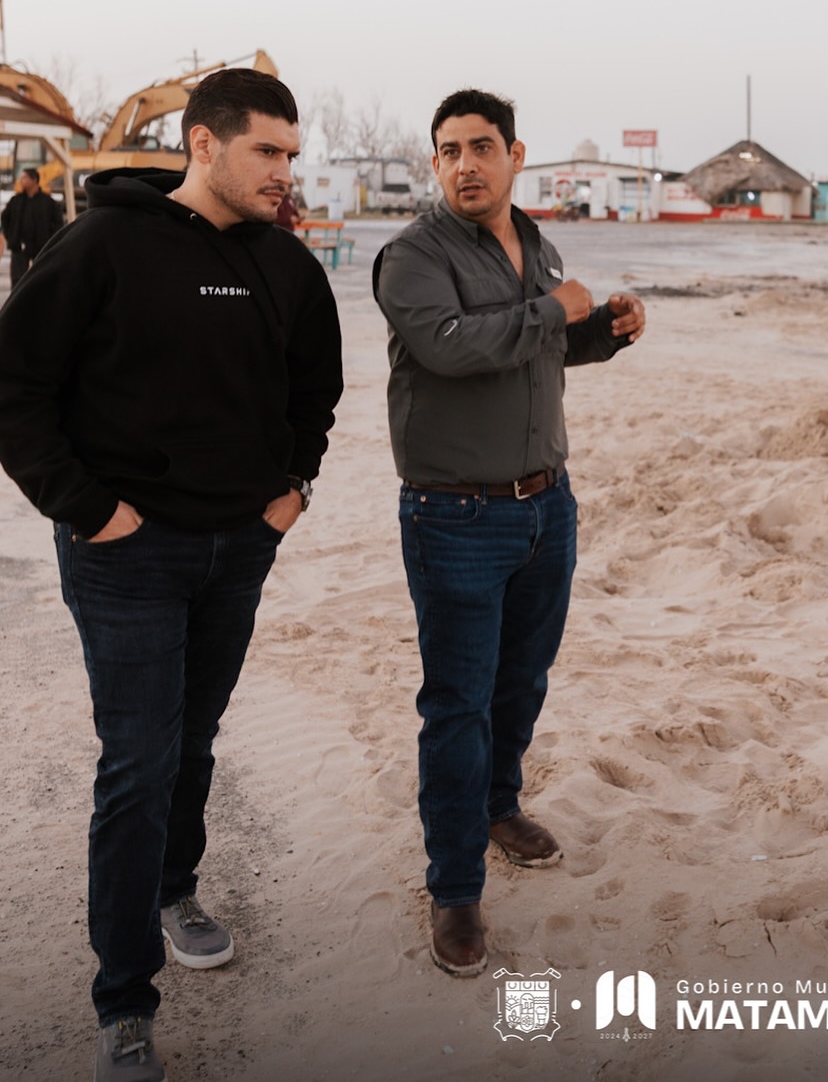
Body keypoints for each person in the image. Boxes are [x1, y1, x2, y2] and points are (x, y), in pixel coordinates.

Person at [0, 69, 344, 1081]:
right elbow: (16, 387)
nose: (285, 172)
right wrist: (89, 509)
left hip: (239, 547)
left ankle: (176, 884)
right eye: (267, 153)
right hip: (126, 555)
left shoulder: (286, 266)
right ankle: (124, 1000)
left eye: (292, 154)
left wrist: (293, 493)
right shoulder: (103, 243)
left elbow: (314, 393)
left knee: (192, 740)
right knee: (139, 760)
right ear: (202, 144)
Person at [373, 87, 645, 976]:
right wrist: (555, 310)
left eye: (481, 146)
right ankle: (455, 892)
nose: (464, 165)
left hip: (545, 507)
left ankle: (499, 806)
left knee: (521, 682)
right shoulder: (411, 256)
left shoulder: (537, 243)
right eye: (448, 150)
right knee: (456, 703)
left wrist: (604, 330)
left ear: (515, 155)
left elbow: (546, 348)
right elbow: (454, 346)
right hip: (455, 515)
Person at [0, 165, 65, 284]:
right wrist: (11, 237)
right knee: (17, 280)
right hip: (19, 247)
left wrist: (50, 240)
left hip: (41, 247)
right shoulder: (16, 200)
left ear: (34, 179)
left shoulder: (48, 202)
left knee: (41, 279)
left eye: (24, 177)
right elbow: (5, 218)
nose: (21, 181)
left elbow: (58, 223)